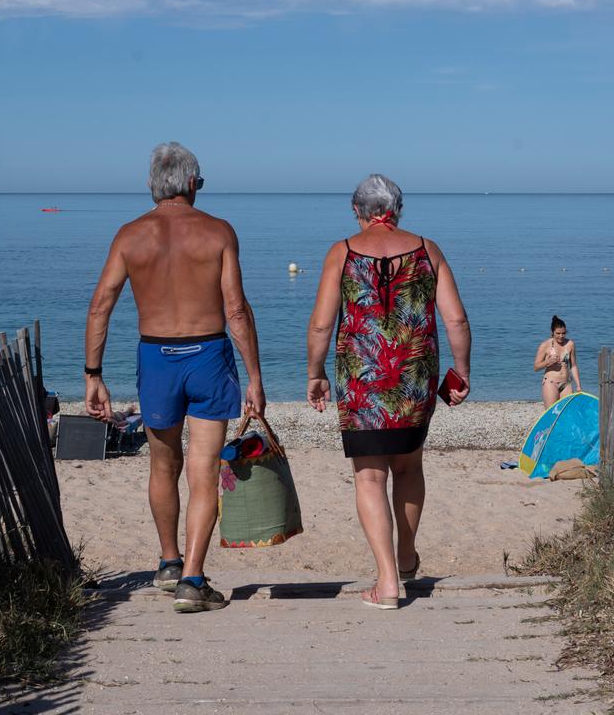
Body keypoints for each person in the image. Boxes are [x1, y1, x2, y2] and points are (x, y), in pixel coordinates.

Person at [84, 142, 265, 614]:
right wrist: (255, 377)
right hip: (207, 354)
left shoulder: (129, 235)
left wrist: (93, 375)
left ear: (152, 186)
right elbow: (236, 311)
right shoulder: (218, 232)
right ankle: (192, 580)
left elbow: (101, 304)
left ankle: (168, 562)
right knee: (204, 472)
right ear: (192, 184)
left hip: (156, 358)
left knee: (163, 466)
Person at [306, 174, 471, 610]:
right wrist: (462, 370)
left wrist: (314, 372)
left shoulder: (341, 252)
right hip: (415, 379)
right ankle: (406, 555)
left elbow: (322, 323)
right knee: (410, 468)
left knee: (369, 477)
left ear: (356, 211)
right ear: (397, 209)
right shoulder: (427, 249)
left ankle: (388, 580)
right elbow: (456, 320)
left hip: (362, 383)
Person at [534, 316, 581, 407]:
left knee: (566, 412)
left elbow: (573, 366)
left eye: (563, 333)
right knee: (552, 413)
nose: (561, 336)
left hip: (566, 383)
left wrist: (578, 385)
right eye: (558, 333)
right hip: (551, 383)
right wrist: (548, 362)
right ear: (552, 332)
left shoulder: (570, 344)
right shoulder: (545, 345)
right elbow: (536, 367)